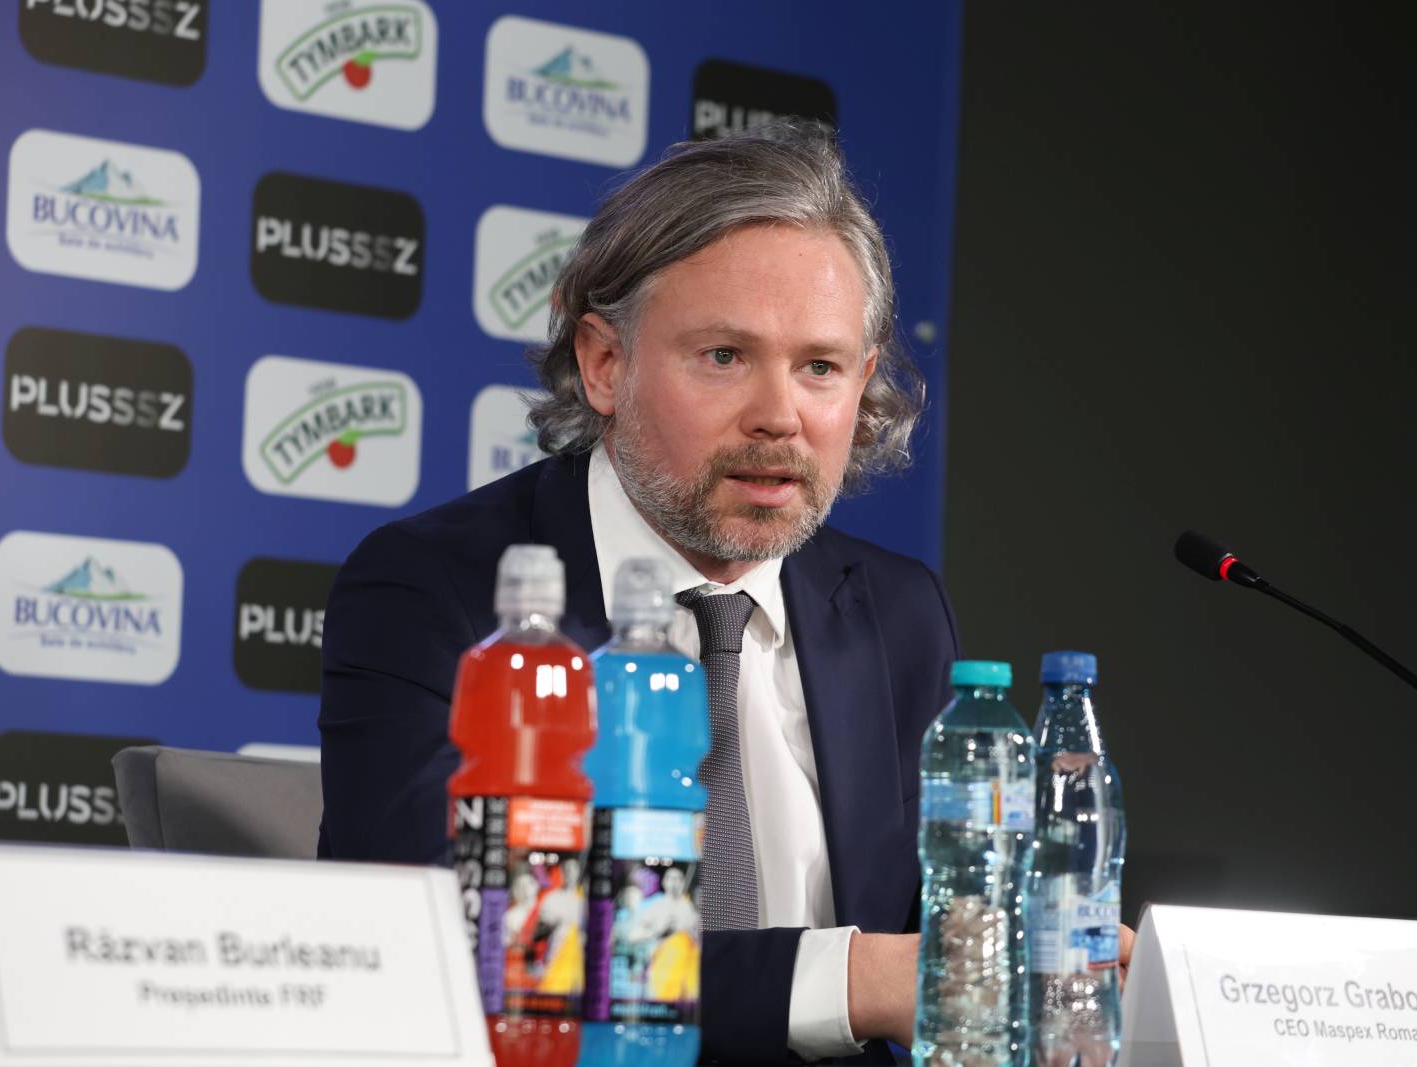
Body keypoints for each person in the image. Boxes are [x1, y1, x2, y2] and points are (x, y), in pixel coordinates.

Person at [317, 122, 1128, 1064]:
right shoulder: (435, 594)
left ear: (863, 381)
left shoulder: (900, 615)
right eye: (725, 357)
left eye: (820, 367)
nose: (780, 416)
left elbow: (944, 950)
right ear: (604, 363)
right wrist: (854, 979)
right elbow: (434, 952)